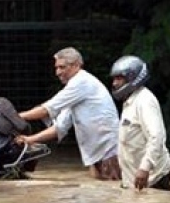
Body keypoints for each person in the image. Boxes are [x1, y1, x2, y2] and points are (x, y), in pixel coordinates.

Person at [14, 47, 121, 180]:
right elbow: (60, 127)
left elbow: (46, 109)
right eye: (56, 68)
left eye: (62, 67)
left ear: (76, 65)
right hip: (95, 153)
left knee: (111, 192)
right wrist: (29, 140)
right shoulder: (74, 92)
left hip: (108, 150)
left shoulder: (81, 82)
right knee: (97, 192)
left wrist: (15, 117)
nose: (57, 72)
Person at [109, 55, 170, 191]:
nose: (114, 83)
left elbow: (157, 136)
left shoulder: (145, 101)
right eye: (114, 79)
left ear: (132, 78)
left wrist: (145, 167)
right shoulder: (129, 102)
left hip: (153, 177)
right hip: (134, 178)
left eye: (119, 78)